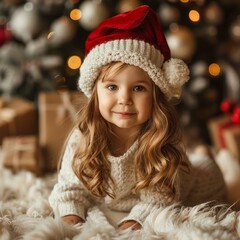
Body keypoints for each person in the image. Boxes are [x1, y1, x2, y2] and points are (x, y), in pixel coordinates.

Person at [48, 5, 227, 230]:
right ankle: (199, 152)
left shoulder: (160, 140)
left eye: (138, 88)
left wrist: (129, 226)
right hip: (136, 192)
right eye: (112, 86)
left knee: (202, 165)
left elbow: (159, 203)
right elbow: (69, 189)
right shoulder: (84, 136)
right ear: (95, 93)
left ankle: (204, 155)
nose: (124, 99)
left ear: (155, 96)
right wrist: (70, 218)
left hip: (200, 180)